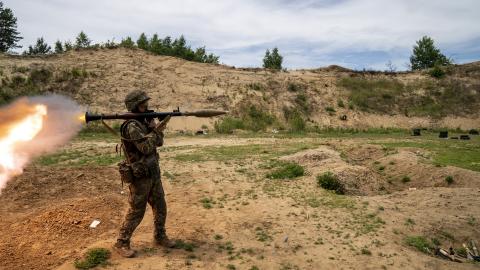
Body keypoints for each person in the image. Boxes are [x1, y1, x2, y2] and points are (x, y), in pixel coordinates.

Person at [113, 90, 175, 258]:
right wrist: (157, 128)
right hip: (140, 176)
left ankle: (160, 236)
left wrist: (155, 127)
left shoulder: (144, 121)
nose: (146, 106)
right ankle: (122, 242)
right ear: (134, 105)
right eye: (142, 104)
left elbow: (159, 142)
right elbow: (146, 148)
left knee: (160, 206)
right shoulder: (132, 126)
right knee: (136, 211)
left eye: (145, 103)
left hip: (153, 172)